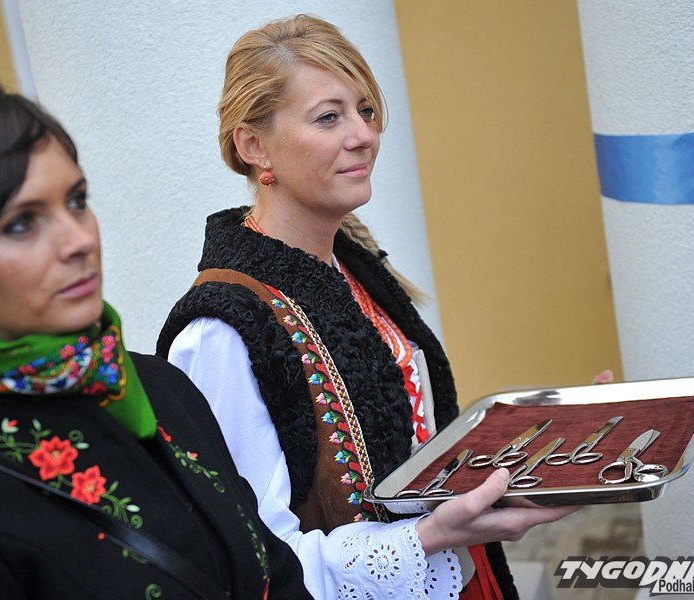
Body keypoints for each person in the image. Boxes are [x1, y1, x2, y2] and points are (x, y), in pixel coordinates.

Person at [158, 14, 586, 599]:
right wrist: (427, 537)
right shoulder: (220, 332)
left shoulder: (355, 266)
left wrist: (552, 451)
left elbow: (414, 449)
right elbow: (258, 560)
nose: (363, 135)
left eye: (365, 110)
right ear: (253, 145)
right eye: (328, 117)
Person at [0, 75, 312, 600]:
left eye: (77, 200)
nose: (78, 239)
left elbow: (276, 575)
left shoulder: (160, 387)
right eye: (22, 224)